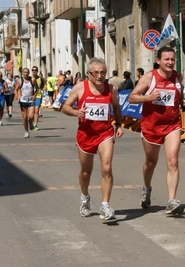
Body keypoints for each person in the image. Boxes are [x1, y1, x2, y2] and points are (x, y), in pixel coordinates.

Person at [61, 57, 124, 221]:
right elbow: (64, 107)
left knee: (107, 168)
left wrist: (119, 124)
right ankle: (85, 197)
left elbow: (116, 107)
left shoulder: (112, 89)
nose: (100, 76)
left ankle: (105, 205)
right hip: (86, 134)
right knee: (85, 172)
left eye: (103, 72)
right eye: (96, 72)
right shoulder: (80, 88)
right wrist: (76, 112)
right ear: (88, 74)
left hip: (105, 133)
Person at [128, 46, 185, 215]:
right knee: (151, 163)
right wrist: (148, 97)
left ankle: (171, 201)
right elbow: (132, 97)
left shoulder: (178, 77)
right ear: (158, 61)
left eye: (172, 59)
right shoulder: (149, 78)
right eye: (166, 59)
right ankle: (146, 188)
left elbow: (178, 96)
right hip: (151, 127)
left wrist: (183, 102)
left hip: (172, 125)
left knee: (173, 161)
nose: (170, 62)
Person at [15, 68, 37, 138]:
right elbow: (16, 89)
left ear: (29, 73)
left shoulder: (32, 80)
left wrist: (34, 95)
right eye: (24, 72)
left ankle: (30, 122)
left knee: (31, 116)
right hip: (23, 101)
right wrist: (17, 95)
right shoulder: (19, 81)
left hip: (30, 100)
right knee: (24, 118)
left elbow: (37, 88)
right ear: (22, 73)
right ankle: (26, 132)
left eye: (27, 72)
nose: (26, 74)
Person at [31, 66, 44, 130]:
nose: (34, 71)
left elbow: (42, 86)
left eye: (35, 70)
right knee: (31, 112)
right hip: (30, 97)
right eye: (33, 70)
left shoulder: (40, 79)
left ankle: (35, 124)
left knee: (36, 111)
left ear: (37, 71)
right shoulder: (29, 78)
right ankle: (31, 122)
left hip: (38, 96)